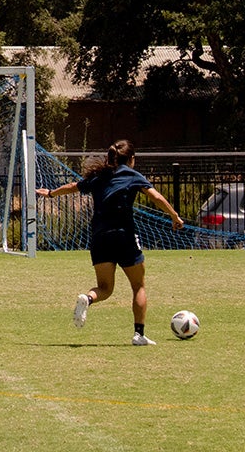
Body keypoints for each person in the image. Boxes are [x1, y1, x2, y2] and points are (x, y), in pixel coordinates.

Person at [36, 139, 183, 345]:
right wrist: (174, 216)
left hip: (100, 237)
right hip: (123, 236)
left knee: (104, 288)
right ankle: (138, 335)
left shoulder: (99, 177)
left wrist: (51, 193)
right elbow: (155, 196)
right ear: (131, 159)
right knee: (138, 286)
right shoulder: (131, 175)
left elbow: (73, 186)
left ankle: (87, 299)